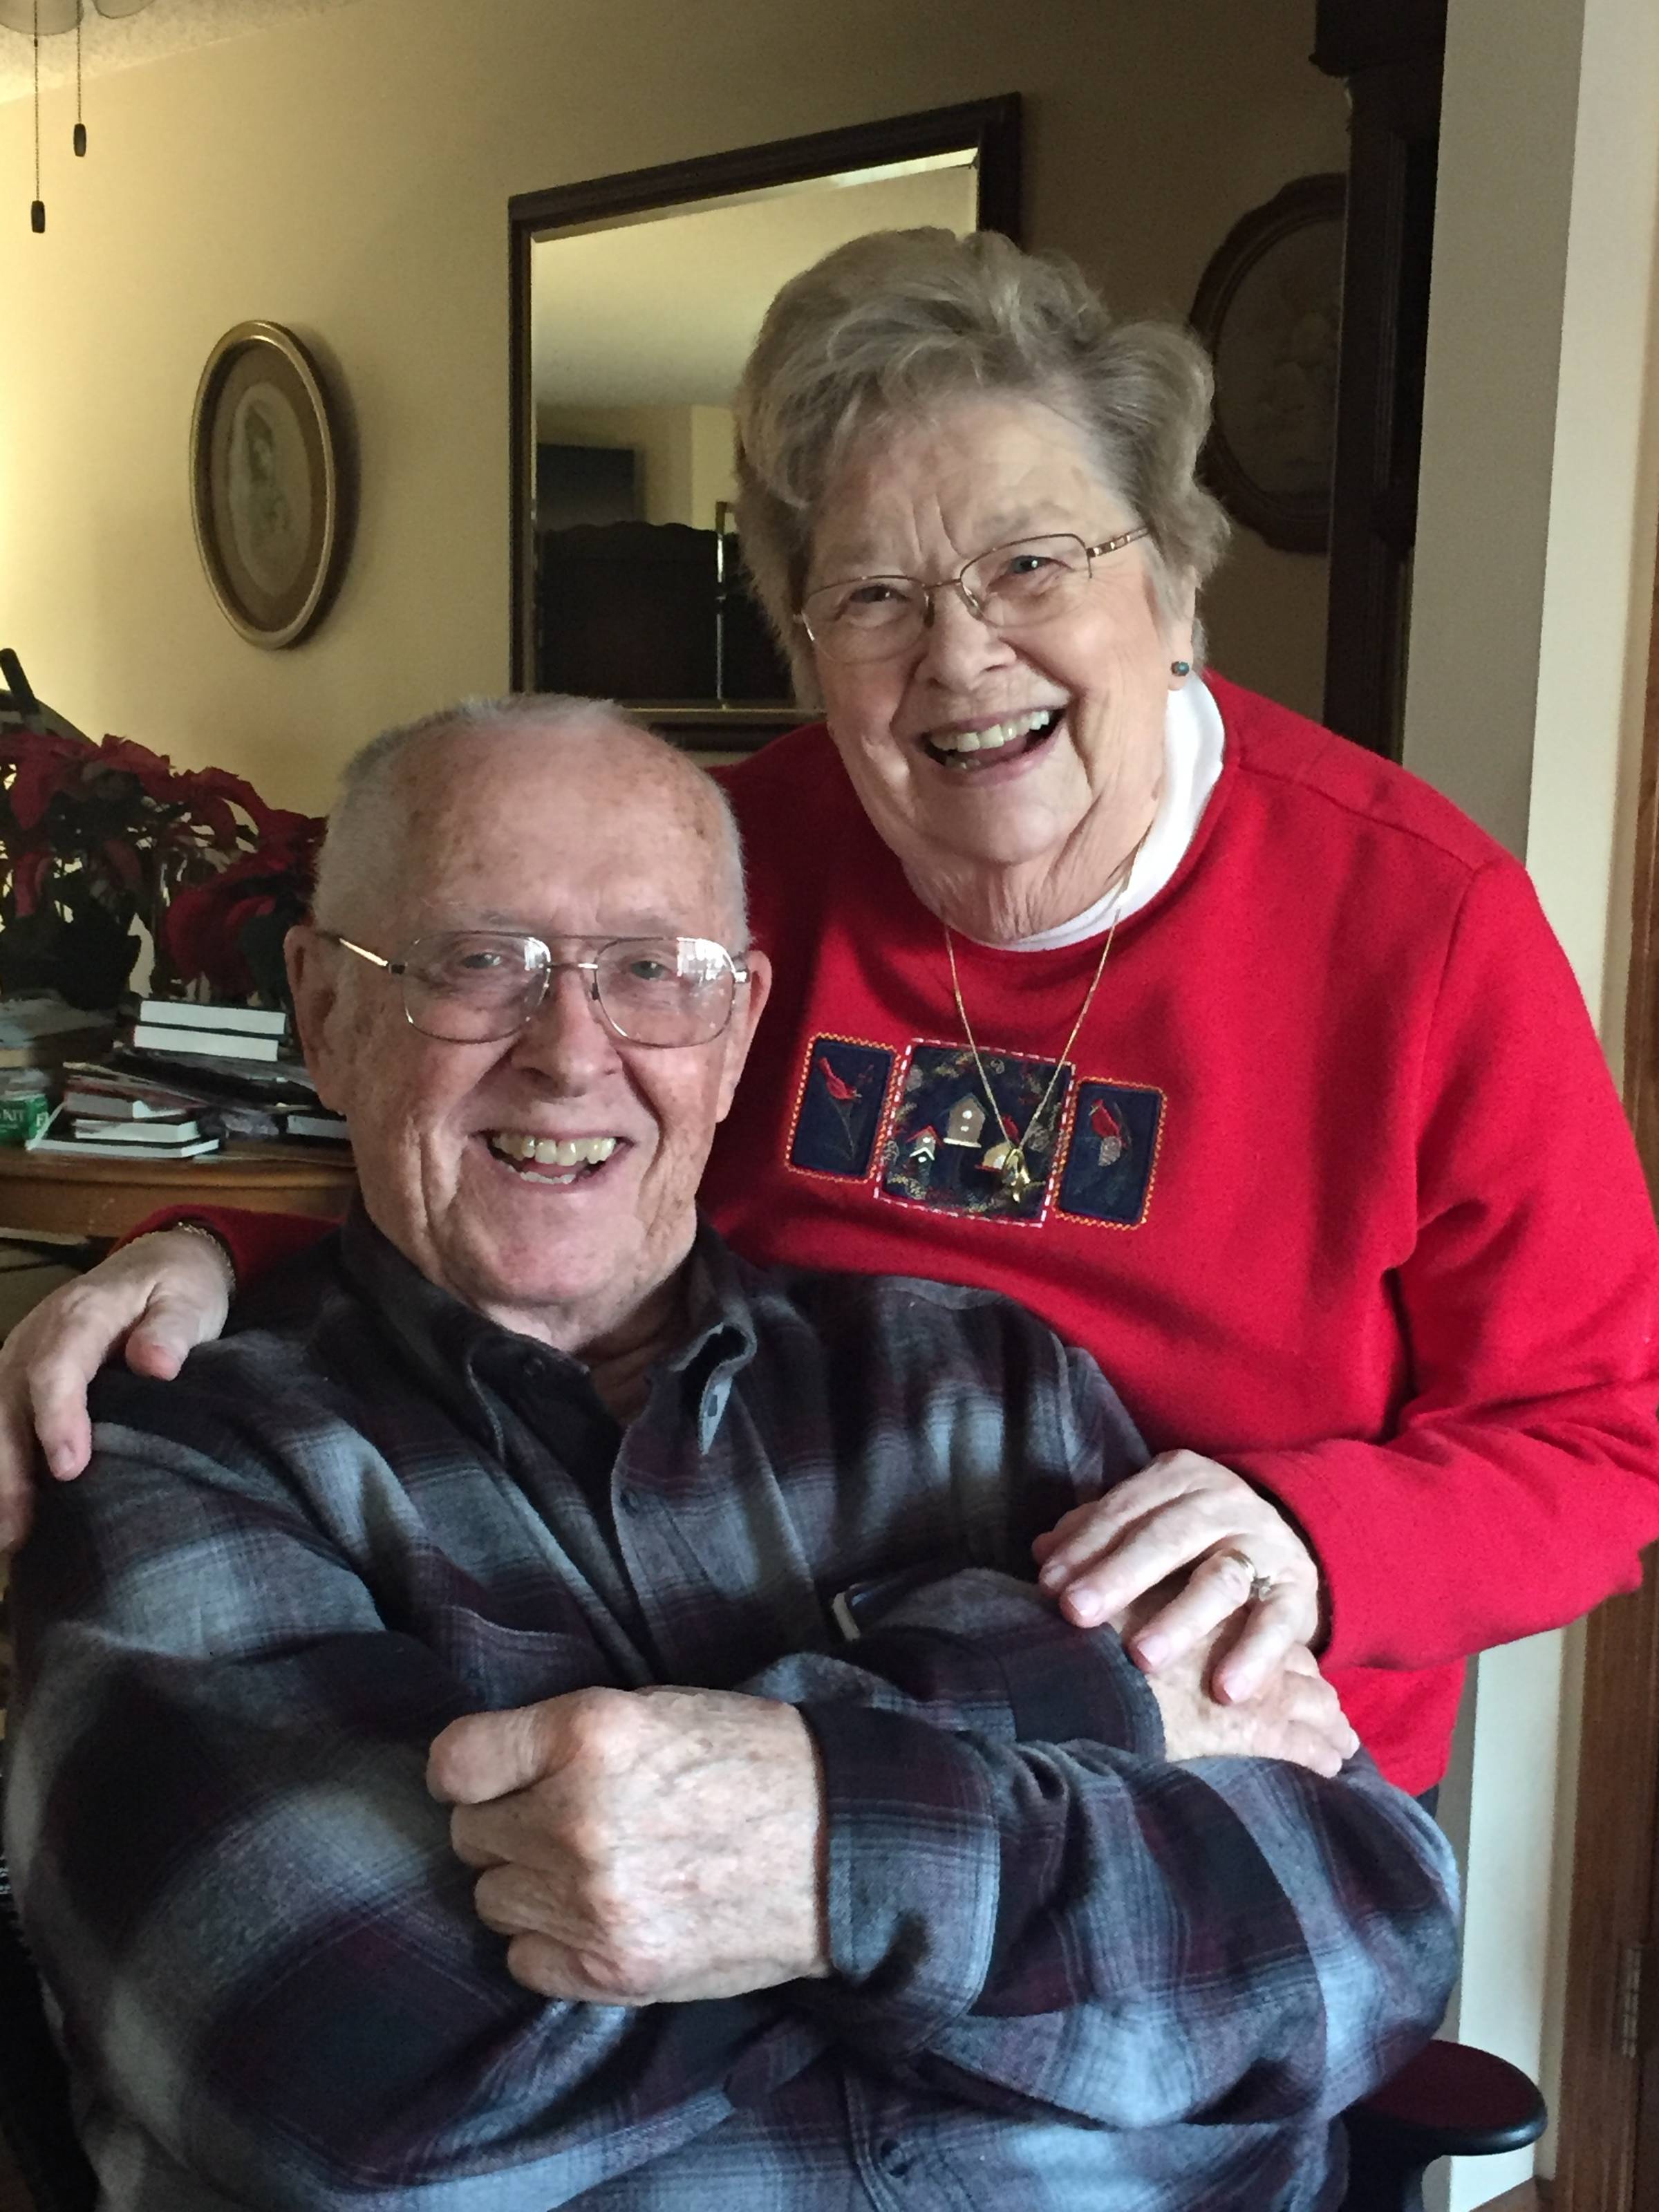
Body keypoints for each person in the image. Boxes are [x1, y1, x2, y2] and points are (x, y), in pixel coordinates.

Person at [5, 229, 1658, 1797]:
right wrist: (225, 1254)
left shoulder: (1418, 922)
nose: (959, 657)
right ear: (803, 641)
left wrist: (1309, 1534)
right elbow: (559, 1159)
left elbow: (1601, 1440)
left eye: (1030, 563)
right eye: (873, 595)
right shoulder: (733, 868)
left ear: (1174, 585)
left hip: (1215, 1761)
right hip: (769, 1689)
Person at [5, 702, 1456, 2211]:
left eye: (654, 973)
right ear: (324, 1011)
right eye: (475, 963)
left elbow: (1359, 1928)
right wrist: (1051, 1715)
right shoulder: (180, 1441)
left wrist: (802, 1852)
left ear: (742, 1026)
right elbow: (362, 2090)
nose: (572, 1055)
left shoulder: (979, 1382)